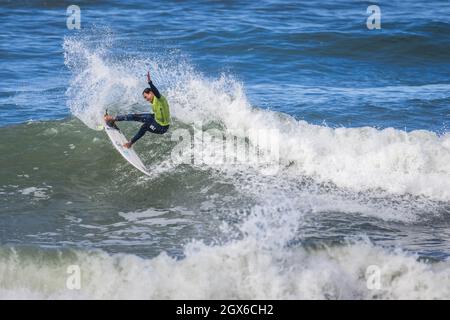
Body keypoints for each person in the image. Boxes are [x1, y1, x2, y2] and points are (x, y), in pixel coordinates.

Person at [104, 71, 170, 148]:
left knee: (145, 126)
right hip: (156, 120)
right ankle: (114, 119)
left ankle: (130, 143)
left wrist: (150, 82)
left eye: (146, 97)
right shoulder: (153, 102)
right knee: (135, 116)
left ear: (151, 93)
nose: (146, 99)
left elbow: (156, 92)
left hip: (161, 127)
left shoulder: (160, 99)